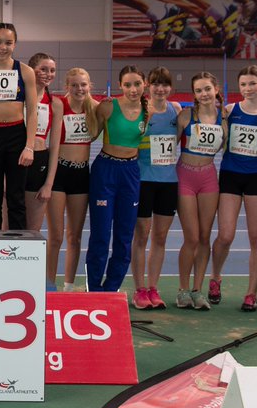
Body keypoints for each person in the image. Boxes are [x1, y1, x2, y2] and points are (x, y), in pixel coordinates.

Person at [210, 65, 257, 312]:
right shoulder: (229, 111)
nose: (248, 89)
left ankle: (251, 293)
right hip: (230, 176)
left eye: (252, 84)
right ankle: (215, 278)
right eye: (243, 85)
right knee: (225, 235)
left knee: (256, 237)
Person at [85, 65, 148, 292]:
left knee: (124, 238)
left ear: (145, 84)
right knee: (101, 235)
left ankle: (111, 290)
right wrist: (87, 103)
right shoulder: (108, 107)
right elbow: (91, 134)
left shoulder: (148, 109)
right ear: (120, 85)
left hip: (130, 173)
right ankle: (94, 289)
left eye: (137, 84)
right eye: (128, 85)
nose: (133, 89)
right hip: (106, 171)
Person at [38, 68, 97, 290]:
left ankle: (68, 287)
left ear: (89, 85)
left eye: (83, 84)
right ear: (67, 87)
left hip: (81, 175)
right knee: (56, 236)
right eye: (75, 85)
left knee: (75, 237)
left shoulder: (95, 108)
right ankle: (49, 287)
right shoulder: (59, 104)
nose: (79, 89)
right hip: (59, 173)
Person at [0, 22, 37, 230]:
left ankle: (17, 252)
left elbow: (32, 111)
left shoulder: (26, 71)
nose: (3, 47)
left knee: (16, 198)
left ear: (15, 44)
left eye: (8, 43)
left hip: (16, 136)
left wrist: (29, 146)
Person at [130, 66, 180, 309]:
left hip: (168, 182)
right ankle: (139, 289)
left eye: (165, 84)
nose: (161, 89)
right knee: (142, 236)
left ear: (170, 87)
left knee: (160, 237)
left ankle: (153, 288)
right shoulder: (140, 110)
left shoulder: (176, 110)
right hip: (143, 180)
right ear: (148, 86)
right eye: (156, 84)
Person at [175, 72, 225, 310]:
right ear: (193, 94)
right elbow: (166, 144)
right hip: (184, 176)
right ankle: (182, 290)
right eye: (198, 90)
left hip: (208, 179)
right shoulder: (186, 116)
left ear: (216, 89)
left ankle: (198, 290)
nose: (204, 94)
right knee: (192, 237)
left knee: (205, 237)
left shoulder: (223, 119)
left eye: (207, 89)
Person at [24, 53, 57, 231]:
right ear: (31, 70)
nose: (48, 74)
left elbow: (55, 146)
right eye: (43, 69)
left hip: (40, 162)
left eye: (52, 70)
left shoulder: (54, 103)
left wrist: (48, 184)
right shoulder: (17, 96)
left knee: (33, 229)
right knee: (8, 226)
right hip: (17, 158)